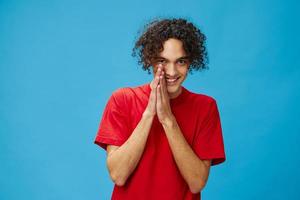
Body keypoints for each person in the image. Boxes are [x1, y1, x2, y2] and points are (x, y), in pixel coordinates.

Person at [94, 17, 226, 200]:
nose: (171, 72)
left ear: (191, 62)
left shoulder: (205, 107)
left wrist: (168, 119)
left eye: (180, 61)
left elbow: (197, 183)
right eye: (162, 61)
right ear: (149, 60)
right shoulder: (122, 100)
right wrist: (149, 114)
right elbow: (118, 175)